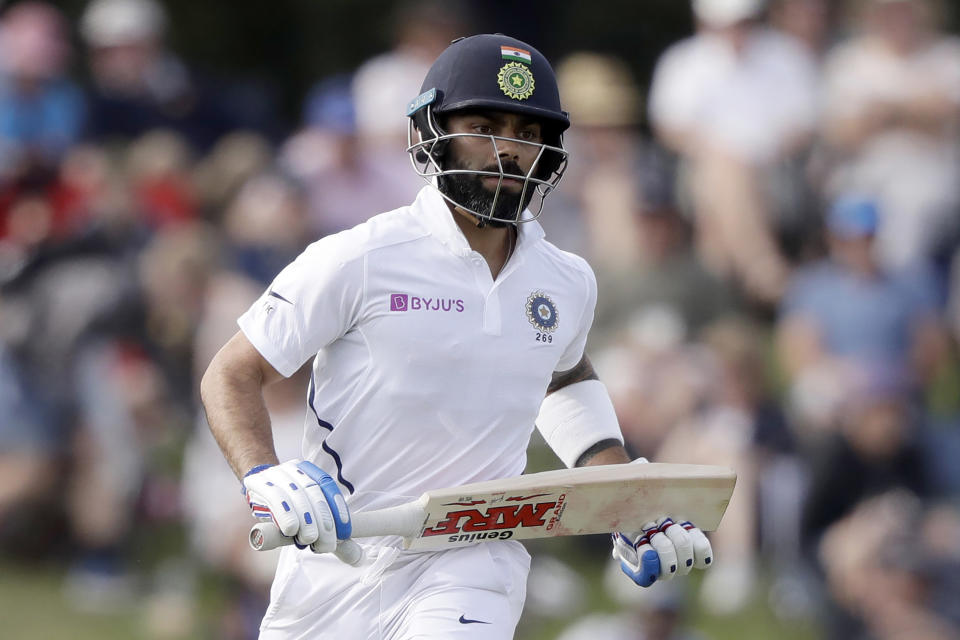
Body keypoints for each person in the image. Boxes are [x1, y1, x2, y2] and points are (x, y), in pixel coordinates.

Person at [200, 35, 714, 639]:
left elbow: (564, 376)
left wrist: (630, 501)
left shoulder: (567, 280)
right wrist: (264, 475)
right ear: (429, 133)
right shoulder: (360, 257)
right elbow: (230, 374)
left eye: (527, 132)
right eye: (483, 125)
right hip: (335, 562)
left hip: (473, 557)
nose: (507, 150)